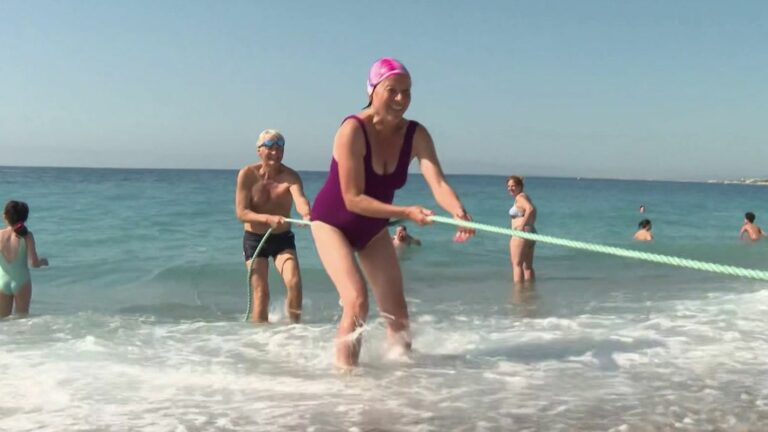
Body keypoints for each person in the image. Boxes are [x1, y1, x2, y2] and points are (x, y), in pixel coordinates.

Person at [310, 57, 474, 368]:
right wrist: (406, 212)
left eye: (407, 91)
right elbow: (353, 198)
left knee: (398, 316)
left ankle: (401, 388)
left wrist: (458, 212)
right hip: (332, 223)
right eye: (392, 90)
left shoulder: (416, 134)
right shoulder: (352, 130)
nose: (401, 99)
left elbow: (437, 181)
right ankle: (346, 383)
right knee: (357, 300)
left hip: (372, 229)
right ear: (372, 90)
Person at [235, 129, 311, 323]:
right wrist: (267, 218)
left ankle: (294, 332)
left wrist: (306, 214)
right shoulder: (247, 174)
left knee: (294, 283)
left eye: (280, 148)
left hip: (282, 239)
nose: (276, 153)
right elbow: (241, 213)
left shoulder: (291, 176)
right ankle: (260, 344)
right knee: (261, 294)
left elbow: (300, 199)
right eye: (270, 148)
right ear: (259, 150)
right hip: (254, 240)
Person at [1, 200, 48, 318]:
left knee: (2, 322)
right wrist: (43, 262)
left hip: (1, 282)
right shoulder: (27, 236)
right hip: (22, 282)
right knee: (22, 321)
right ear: (24, 218)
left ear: (5, 216)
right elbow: (34, 263)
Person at [506, 176, 536, 283]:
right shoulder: (526, 197)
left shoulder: (520, 198)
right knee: (527, 267)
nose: (510, 188)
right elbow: (533, 212)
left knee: (516, 265)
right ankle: (529, 293)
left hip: (521, 234)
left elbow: (530, 209)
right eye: (508, 186)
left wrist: (521, 226)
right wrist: (528, 226)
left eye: (513, 186)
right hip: (530, 232)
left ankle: (518, 295)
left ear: (520, 186)